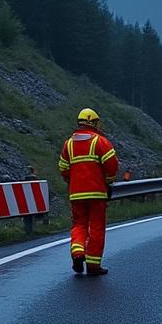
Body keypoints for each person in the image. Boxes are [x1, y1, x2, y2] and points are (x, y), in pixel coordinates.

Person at [58, 108, 118, 276]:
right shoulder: (100, 141)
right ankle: (93, 265)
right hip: (97, 193)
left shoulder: (68, 144)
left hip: (76, 194)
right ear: (94, 122)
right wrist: (108, 181)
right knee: (96, 227)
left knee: (79, 224)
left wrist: (71, 180)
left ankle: (78, 253)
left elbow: (63, 167)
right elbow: (112, 165)